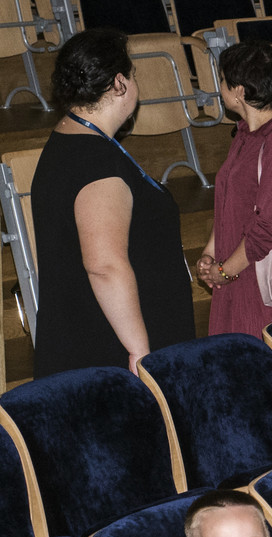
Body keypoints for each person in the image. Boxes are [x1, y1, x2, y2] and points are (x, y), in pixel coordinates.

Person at [30, 27, 193, 376]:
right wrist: (139, 351)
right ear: (119, 83)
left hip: (94, 340)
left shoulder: (71, 141)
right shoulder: (96, 162)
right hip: (112, 353)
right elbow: (104, 266)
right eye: (132, 74)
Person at [199, 39, 272, 336]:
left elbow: (270, 226)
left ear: (239, 91)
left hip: (269, 286)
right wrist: (211, 252)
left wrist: (225, 270)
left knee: (265, 359)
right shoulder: (245, 134)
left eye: (223, 81)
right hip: (239, 273)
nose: (220, 88)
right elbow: (230, 201)